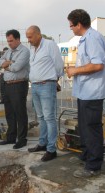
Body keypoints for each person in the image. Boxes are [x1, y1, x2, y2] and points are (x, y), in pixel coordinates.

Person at [66, 9, 105, 178]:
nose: (71, 28)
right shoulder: (86, 39)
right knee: (85, 126)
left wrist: (74, 70)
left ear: (79, 24)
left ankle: (94, 165)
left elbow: (97, 65)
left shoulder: (93, 38)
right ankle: (87, 154)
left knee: (91, 127)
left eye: (72, 25)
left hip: (92, 91)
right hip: (86, 91)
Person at [26, 25, 64, 161]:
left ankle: (51, 149)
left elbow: (59, 64)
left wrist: (55, 80)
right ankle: (42, 144)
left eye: (30, 37)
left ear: (38, 34)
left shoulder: (49, 44)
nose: (28, 40)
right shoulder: (32, 49)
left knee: (49, 118)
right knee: (41, 117)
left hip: (47, 85)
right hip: (35, 86)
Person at [0, 29, 30, 149]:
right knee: (9, 112)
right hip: (7, 85)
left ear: (18, 39)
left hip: (18, 85)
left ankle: (22, 139)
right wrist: (7, 63)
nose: (9, 43)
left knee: (20, 113)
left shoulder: (24, 51)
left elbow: (17, 67)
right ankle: (11, 137)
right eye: (8, 41)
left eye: (11, 41)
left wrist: (7, 65)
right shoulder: (9, 51)